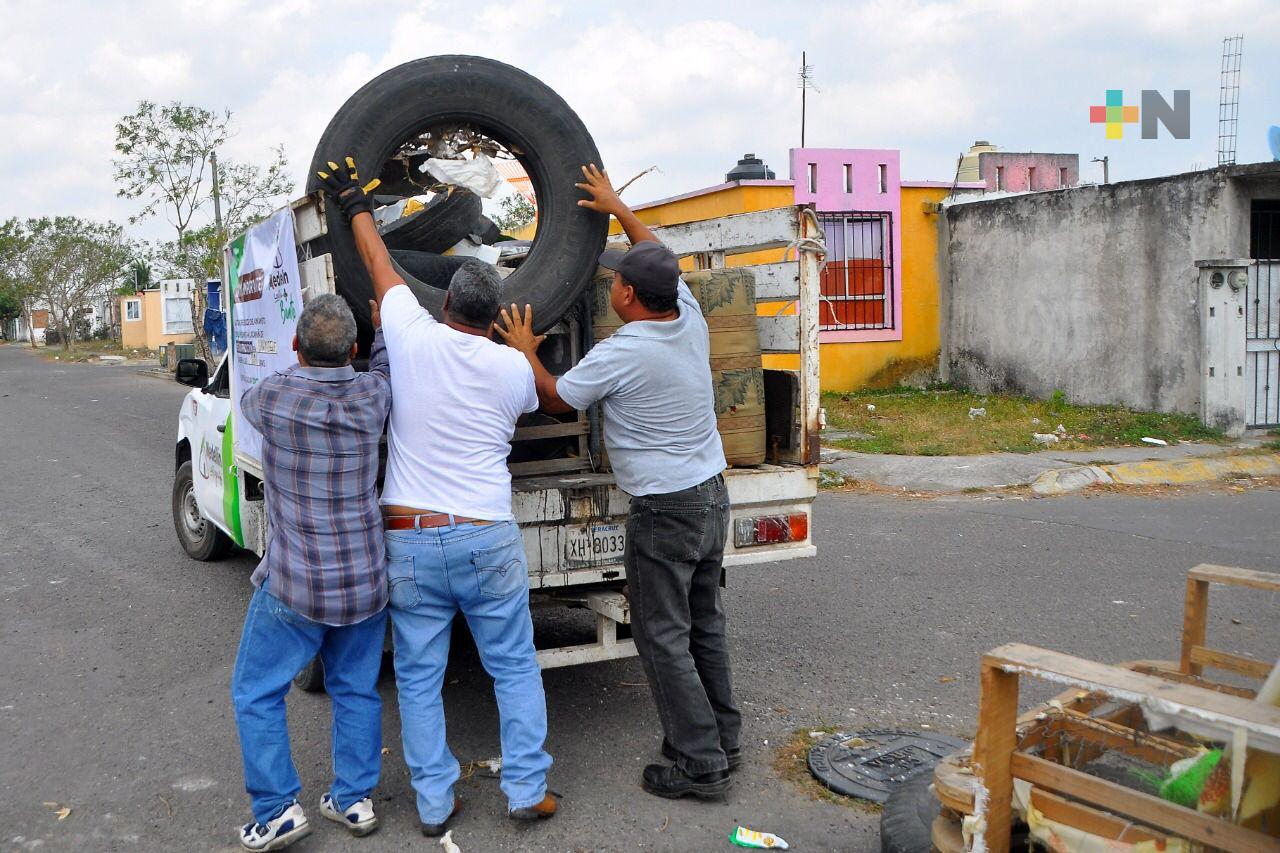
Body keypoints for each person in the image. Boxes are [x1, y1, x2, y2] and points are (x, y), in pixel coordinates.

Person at [316, 157, 557, 837]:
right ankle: (527, 790)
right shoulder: (514, 367)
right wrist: (527, 346)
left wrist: (354, 200)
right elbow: (543, 391)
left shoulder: (411, 335)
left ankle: (432, 801)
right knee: (512, 664)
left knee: (420, 674)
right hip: (486, 536)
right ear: (495, 317)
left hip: (412, 537)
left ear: (444, 304)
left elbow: (380, 263)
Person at [497, 164, 741, 801]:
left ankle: (698, 763)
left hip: (665, 510)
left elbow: (556, 401)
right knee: (704, 624)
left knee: (661, 638)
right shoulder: (687, 317)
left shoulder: (624, 350)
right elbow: (659, 257)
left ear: (629, 296)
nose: (612, 282)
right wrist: (617, 205)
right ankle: (724, 738)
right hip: (712, 496)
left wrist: (525, 345)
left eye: (618, 279)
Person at [230, 292, 392, 850]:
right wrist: (382, 326)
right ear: (354, 348)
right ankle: (353, 798)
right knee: (356, 691)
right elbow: (386, 358)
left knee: (255, 691)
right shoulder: (375, 393)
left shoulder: (273, 397)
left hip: (296, 584)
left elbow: (247, 396)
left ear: (297, 346)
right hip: (367, 580)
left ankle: (277, 810)